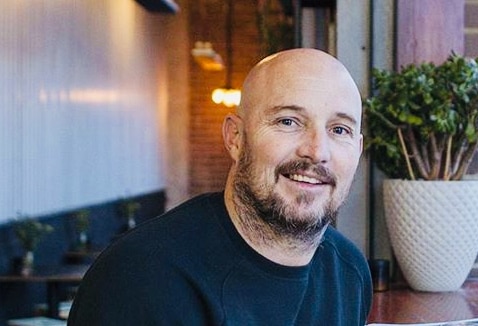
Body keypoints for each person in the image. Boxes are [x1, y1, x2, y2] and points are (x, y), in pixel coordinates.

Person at [68, 48, 372, 325]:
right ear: (235, 138)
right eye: (288, 122)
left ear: (357, 151)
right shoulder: (140, 277)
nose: (317, 151)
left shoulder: (350, 274)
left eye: (339, 129)